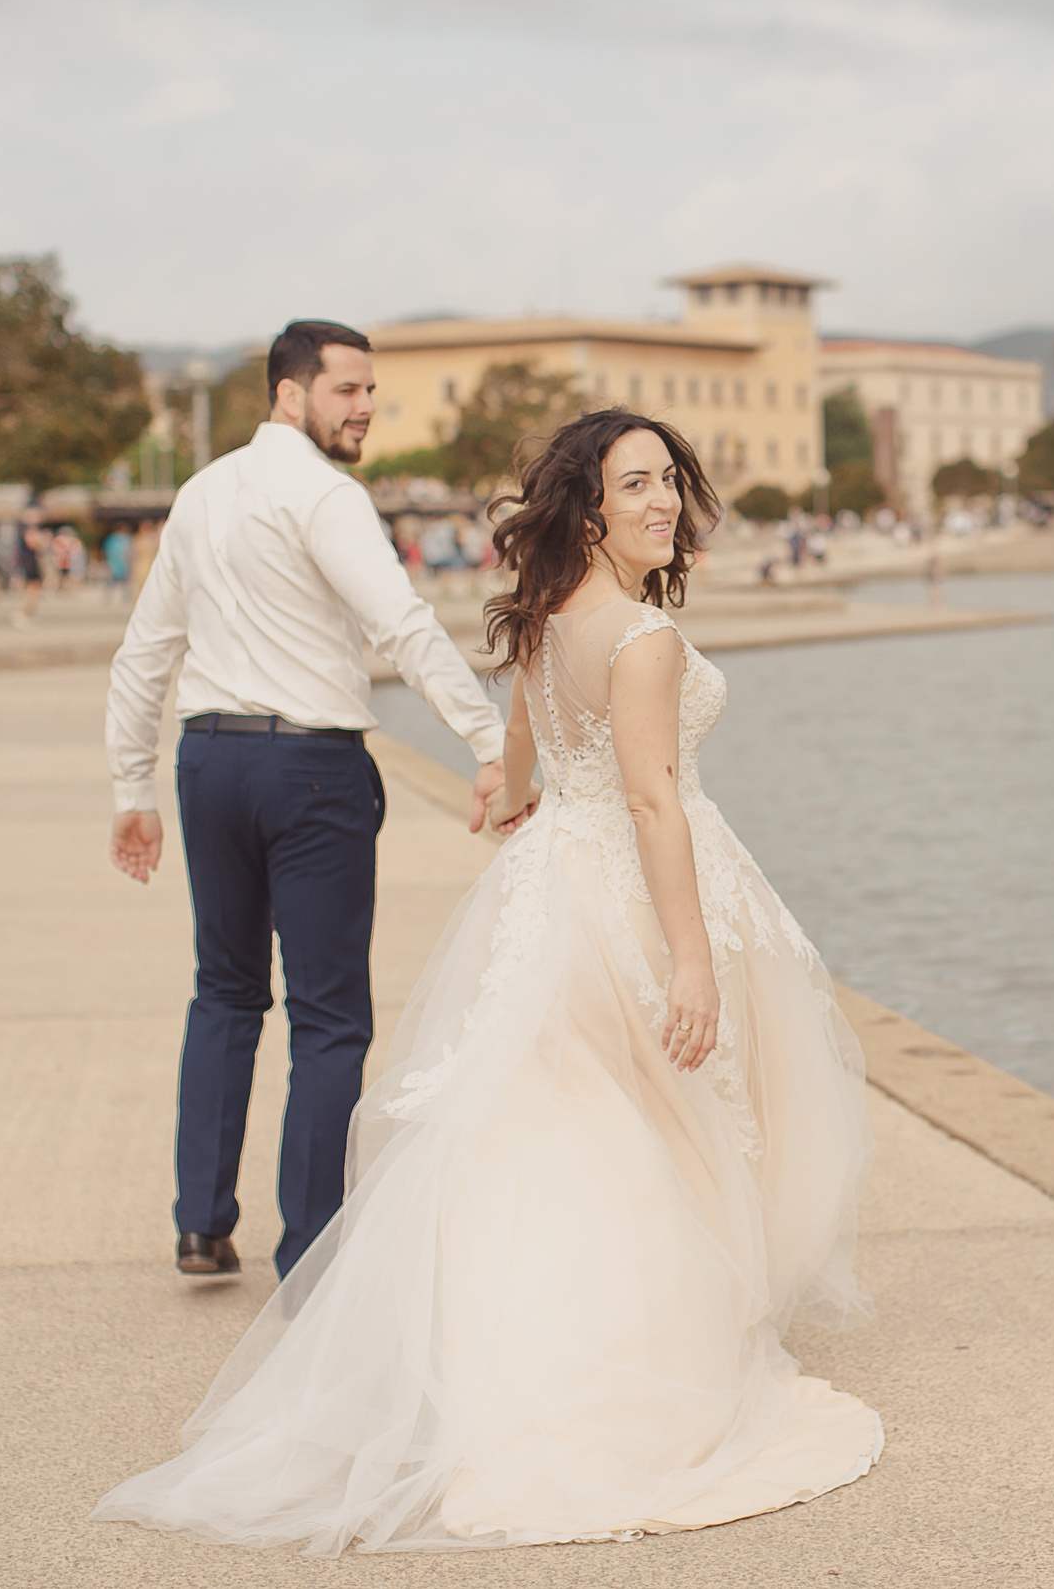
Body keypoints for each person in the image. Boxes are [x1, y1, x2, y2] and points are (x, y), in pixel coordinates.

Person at [93, 409, 879, 1554]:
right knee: (664, 1120)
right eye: (638, 485)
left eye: (673, 480)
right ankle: (639, 1361)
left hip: (550, 882)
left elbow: (525, 737)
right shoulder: (640, 639)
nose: (666, 501)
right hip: (630, 894)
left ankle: (513, 1359)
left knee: (561, 1122)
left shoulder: (551, 611)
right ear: (592, 506)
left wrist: (506, 793)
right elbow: (655, 800)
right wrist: (694, 955)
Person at [103, 320, 510, 1284]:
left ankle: (201, 1224)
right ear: (290, 394)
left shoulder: (199, 497)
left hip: (208, 765)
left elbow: (144, 655)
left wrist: (134, 788)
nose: (365, 407)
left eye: (370, 392)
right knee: (329, 1018)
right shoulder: (325, 496)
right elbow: (401, 625)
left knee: (226, 992)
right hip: (311, 770)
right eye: (347, 391)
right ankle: (311, 1251)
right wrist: (493, 746)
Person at [102, 525, 133, 605]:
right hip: (116, 563)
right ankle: (111, 597)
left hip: (119, 563)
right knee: (113, 581)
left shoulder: (119, 539)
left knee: (122, 581)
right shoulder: (115, 539)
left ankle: (124, 596)